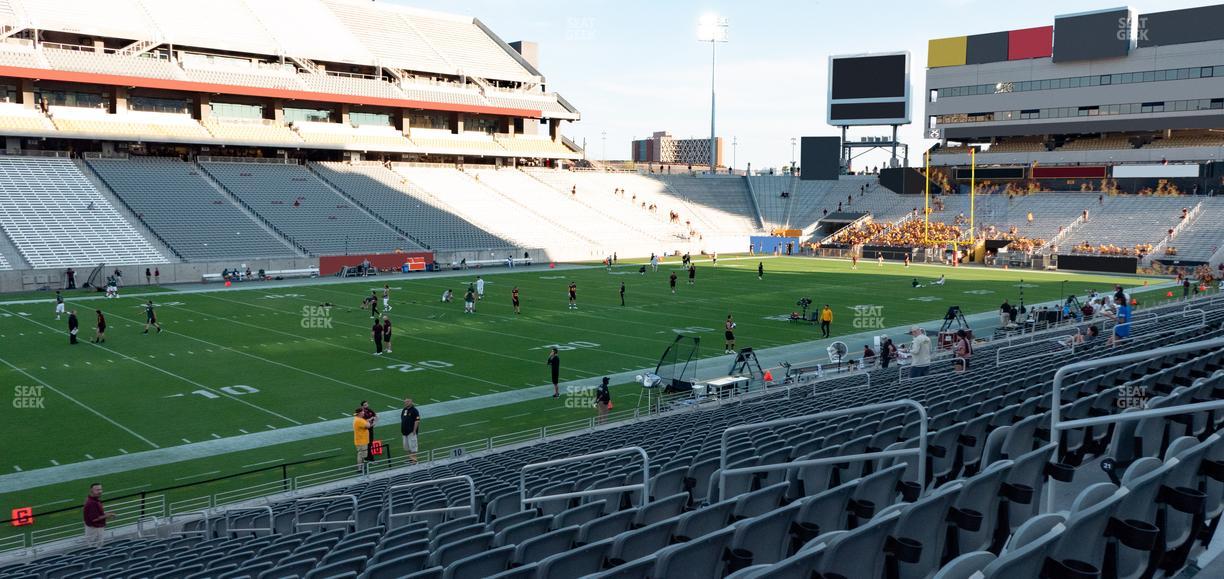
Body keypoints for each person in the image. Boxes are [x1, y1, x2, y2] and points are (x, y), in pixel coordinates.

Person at [83, 483, 115, 547]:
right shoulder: (92, 503)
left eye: (101, 489)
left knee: (94, 548)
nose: (100, 491)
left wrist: (107, 515)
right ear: (91, 491)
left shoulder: (92, 500)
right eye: (97, 490)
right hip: (95, 530)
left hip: (93, 529)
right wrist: (107, 515)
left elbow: (96, 515)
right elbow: (94, 519)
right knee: (96, 549)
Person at [400, 398, 420, 464]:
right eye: (405, 402)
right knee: (407, 447)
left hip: (411, 432)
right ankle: (410, 459)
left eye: (408, 401)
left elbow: (417, 421)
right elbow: (402, 419)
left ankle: (414, 461)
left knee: (413, 446)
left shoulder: (414, 410)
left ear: (411, 402)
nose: (406, 403)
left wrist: (414, 430)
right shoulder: (404, 409)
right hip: (404, 432)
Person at [352, 408, 371, 473]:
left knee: (362, 454)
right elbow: (368, 426)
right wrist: (368, 421)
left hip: (361, 440)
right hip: (361, 441)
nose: (364, 413)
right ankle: (359, 468)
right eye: (362, 412)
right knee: (361, 454)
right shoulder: (359, 420)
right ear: (360, 413)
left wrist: (367, 420)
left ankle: (361, 466)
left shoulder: (358, 419)